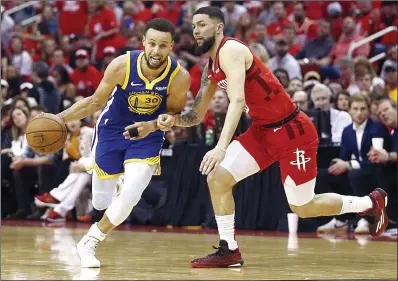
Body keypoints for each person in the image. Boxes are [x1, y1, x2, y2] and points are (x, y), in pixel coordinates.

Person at [128, 7, 389, 268]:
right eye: (193, 26)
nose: (196, 30)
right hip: (263, 131)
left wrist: (220, 147)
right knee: (217, 179)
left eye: (202, 24)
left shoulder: (230, 50)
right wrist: (161, 122)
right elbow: (196, 114)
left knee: (303, 206)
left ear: (218, 28)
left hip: (292, 132)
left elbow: (238, 100)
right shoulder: (210, 68)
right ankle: (229, 249)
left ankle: (369, 202)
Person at [53, 18, 190, 267]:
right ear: (143, 43)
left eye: (162, 46)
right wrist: (59, 118)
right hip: (111, 130)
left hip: (146, 135)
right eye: (152, 44)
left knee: (132, 191)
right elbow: (95, 102)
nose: (156, 51)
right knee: (101, 202)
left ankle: (89, 242)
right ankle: (114, 179)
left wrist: (163, 122)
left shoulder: (179, 77)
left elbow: (173, 114)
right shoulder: (122, 65)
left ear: (171, 47)